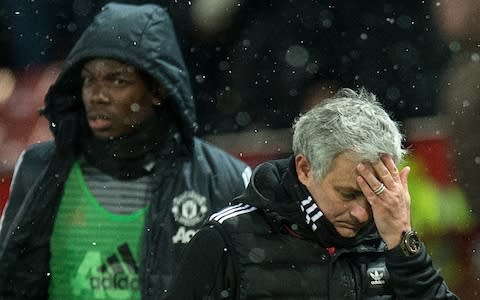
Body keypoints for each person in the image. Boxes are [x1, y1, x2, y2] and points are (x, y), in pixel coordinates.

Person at [0, 2, 251, 300]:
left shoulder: (224, 178)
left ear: (158, 90)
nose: (97, 95)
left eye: (117, 80)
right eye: (89, 79)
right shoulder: (39, 168)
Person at [164, 88, 459, 299]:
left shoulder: (393, 241)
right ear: (305, 168)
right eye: (347, 193)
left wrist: (404, 242)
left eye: (372, 194)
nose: (361, 213)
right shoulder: (227, 238)